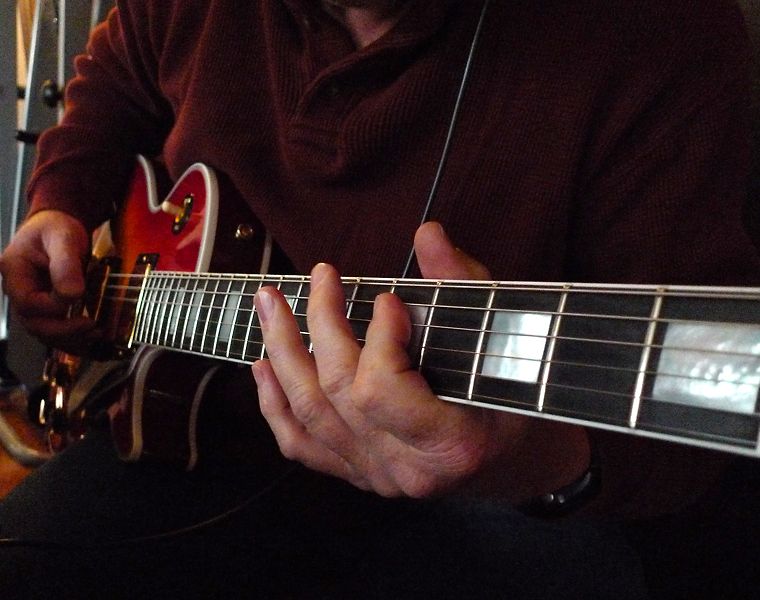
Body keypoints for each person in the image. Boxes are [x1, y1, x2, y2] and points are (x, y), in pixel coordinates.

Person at [0, 0, 759, 597]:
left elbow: (688, 431)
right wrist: (59, 202)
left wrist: (534, 462)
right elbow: (115, 76)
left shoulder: (664, 32)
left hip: (494, 496)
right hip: (200, 431)